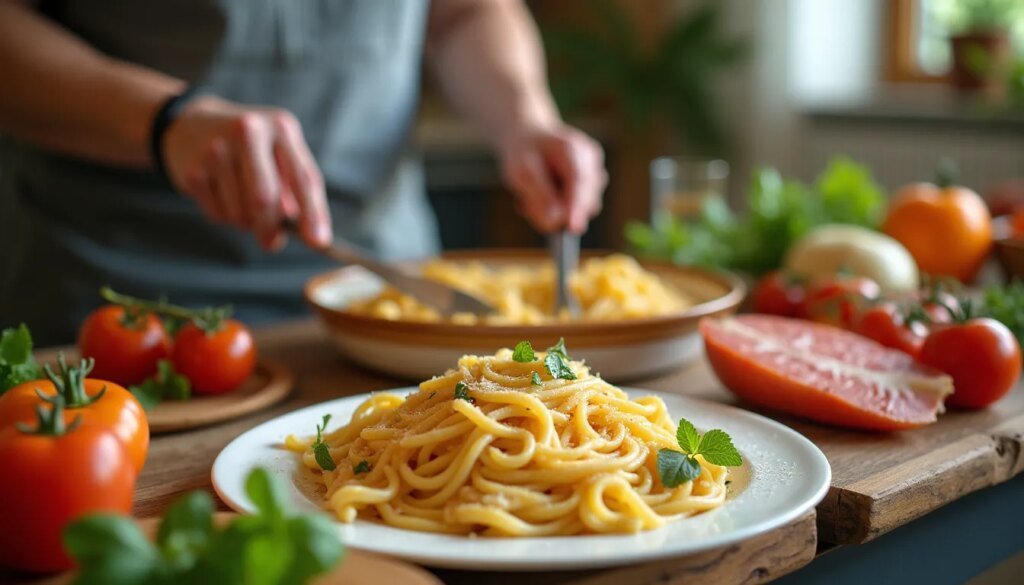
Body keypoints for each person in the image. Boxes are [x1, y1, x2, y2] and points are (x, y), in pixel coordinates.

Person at [0, 0, 607, 345]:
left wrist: (525, 118)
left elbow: (465, 12)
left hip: (389, 300)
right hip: (114, 306)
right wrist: (165, 122)